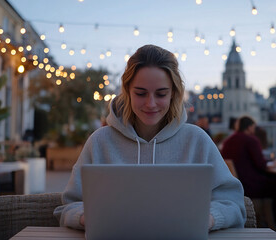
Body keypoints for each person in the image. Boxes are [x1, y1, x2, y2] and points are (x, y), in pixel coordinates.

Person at [53, 44, 246, 231]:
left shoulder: (196, 141)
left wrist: (208, 219)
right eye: (140, 93)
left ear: (174, 94)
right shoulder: (100, 142)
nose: (150, 103)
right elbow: (68, 206)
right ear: (127, 91)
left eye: (161, 94)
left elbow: (233, 204)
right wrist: (86, 218)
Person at [220, 116, 276, 229]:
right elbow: (261, 164)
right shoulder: (251, 140)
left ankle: (269, 223)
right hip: (251, 185)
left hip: (235, 184)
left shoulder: (228, 141)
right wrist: (272, 163)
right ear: (250, 127)